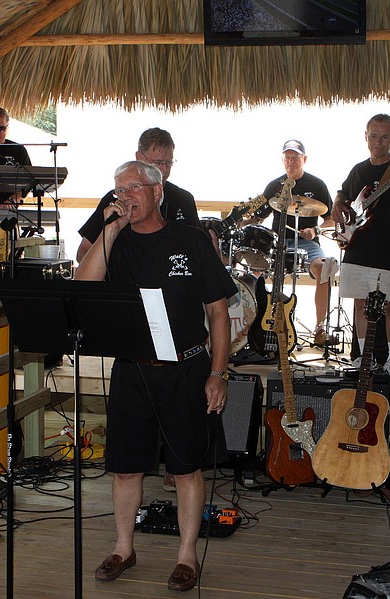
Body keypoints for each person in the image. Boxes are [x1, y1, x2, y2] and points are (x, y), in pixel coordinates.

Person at [75, 161, 236, 592]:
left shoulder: (192, 240)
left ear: (157, 191)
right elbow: (83, 286)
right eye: (118, 189)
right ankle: (123, 547)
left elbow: (218, 313)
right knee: (126, 468)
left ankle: (186, 556)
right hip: (132, 369)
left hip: (187, 369)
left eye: (133, 188)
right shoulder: (116, 242)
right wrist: (109, 229)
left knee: (185, 469)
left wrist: (218, 373)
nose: (125, 196)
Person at [332, 114, 390, 383]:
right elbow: (343, 192)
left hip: (389, 251)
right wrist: (338, 203)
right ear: (366, 136)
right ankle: (364, 357)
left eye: (384, 137)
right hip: (358, 248)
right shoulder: (358, 169)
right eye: (374, 136)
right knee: (360, 303)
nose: (378, 142)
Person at [247, 139, 335, 347]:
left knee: (324, 269)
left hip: (307, 243)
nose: (291, 161)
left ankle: (319, 328)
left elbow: (331, 219)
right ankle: (249, 325)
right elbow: (258, 216)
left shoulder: (317, 185)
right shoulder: (274, 185)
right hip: (278, 241)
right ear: (282, 160)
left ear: (304, 159)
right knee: (252, 271)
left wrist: (315, 230)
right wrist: (240, 219)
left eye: (295, 157)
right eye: (287, 157)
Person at [76, 127, 200, 263]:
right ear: (139, 157)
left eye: (168, 163)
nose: (164, 170)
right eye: (157, 163)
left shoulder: (183, 199)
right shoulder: (114, 200)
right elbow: (83, 252)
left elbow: (197, 251)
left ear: (157, 192)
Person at [0, 106, 32, 209]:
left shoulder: (18, 150)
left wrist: (13, 200)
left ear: (7, 128)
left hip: (8, 212)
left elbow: (29, 183)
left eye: (1, 128)